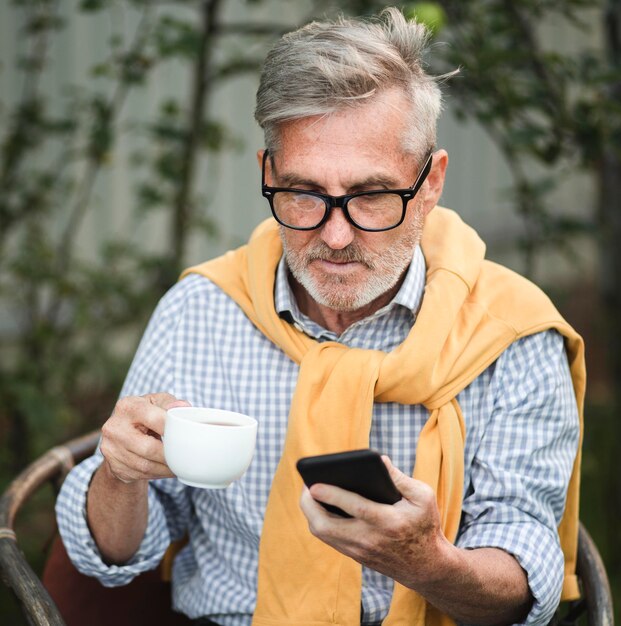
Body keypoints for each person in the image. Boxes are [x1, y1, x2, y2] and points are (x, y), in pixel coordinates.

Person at [55, 7, 585, 626]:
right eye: (304, 193)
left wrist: (428, 562)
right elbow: (114, 556)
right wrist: (119, 475)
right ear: (267, 174)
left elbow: (523, 582)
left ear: (431, 183)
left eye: (370, 196)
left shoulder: (509, 334)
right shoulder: (202, 309)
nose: (334, 236)